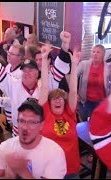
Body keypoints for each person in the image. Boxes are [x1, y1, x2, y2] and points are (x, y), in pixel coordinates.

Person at [0, 31, 72, 136]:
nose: (27, 73)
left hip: (41, 133)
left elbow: (60, 68)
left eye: (30, 70)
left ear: (37, 73)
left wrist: (65, 45)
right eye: (24, 70)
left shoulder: (45, 85)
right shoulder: (13, 84)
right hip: (19, 134)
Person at [0, 100, 67, 179]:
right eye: (22, 121)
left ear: (41, 125)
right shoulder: (4, 148)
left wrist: (23, 172)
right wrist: (8, 176)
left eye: (32, 122)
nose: (25, 127)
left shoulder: (54, 152)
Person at [38, 44, 81, 178]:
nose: (58, 101)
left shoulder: (70, 113)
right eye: (54, 99)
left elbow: (73, 91)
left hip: (71, 169)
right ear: (49, 103)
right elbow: (44, 87)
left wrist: (74, 64)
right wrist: (44, 60)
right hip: (50, 170)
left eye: (61, 99)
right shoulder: (46, 113)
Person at [77, 44, 111, 121]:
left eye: (98, 52)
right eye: (93, 52)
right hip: (85, 102)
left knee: (98, 125)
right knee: (85, 125)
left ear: (103, 55)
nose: (95, 54)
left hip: (100, 103)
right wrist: (74, 93)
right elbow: (74, 77)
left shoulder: (108, 67)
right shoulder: (83, 65)